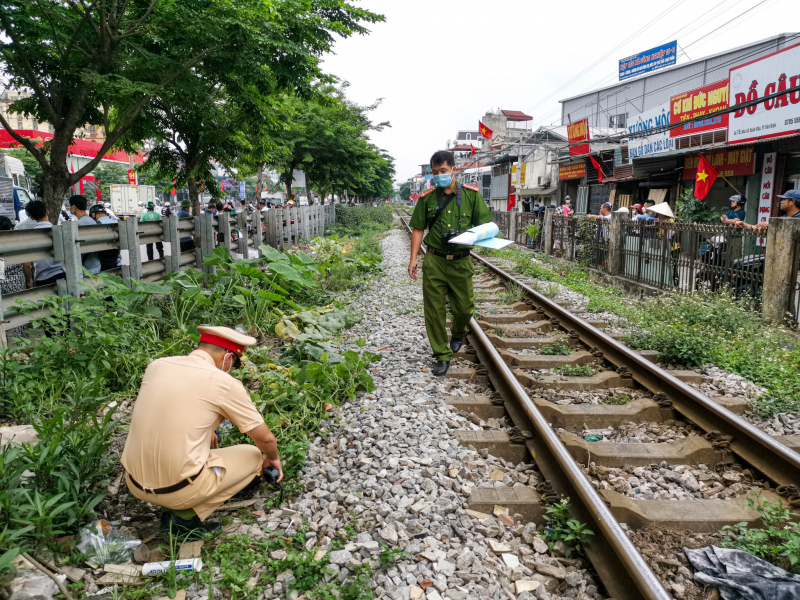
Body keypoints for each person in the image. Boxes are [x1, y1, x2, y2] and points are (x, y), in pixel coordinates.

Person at [120, 326, 283, 537]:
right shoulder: (223, 382)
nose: (232, 368)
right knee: (253, 455)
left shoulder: (157, 366)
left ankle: (177, 504)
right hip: (177, 490)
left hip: (134, 483)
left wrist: (210, 429)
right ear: (228, 357)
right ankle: (184, 519)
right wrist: (273, 458)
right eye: (235, 362)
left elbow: (174, 407)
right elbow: (265, 438)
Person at [408, 150, 493, 376]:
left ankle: (458, 331)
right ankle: (441, 355)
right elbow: (417, 228)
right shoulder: (426, 198)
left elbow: (486, 226)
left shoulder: (471, 196)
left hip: (461, 261)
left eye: (443, 171)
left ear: (453, 169)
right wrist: (413, 259)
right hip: (434, 260)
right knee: (434, 311)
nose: (439, 176)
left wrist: (475, 236)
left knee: (464, 308)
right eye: (435, 173)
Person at [22, 200, 66, 288]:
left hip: (42, 278)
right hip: (61, 275)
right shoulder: (60, 231)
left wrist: (28, 281)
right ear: (47, 212)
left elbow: (27, 264)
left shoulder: (30, 235)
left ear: (31, 217)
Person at [736, 189, 800, 232]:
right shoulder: (784, 217)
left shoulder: (798, 218)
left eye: (784, 199)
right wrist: (744, 224)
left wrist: (771, 225)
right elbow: (759, 229)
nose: (781, 202)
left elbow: (790, 230)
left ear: (792, 202)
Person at [68, 195, 102, 276]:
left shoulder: (77, 225)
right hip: (96, 264)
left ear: (73, 207)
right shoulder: (93, 222)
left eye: (69, 206)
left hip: (84, 268)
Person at [88, 204, 121, 271]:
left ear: (93, 214)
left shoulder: (96, 225)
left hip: (101, 259)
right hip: (116, 258)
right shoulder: (117, 223)